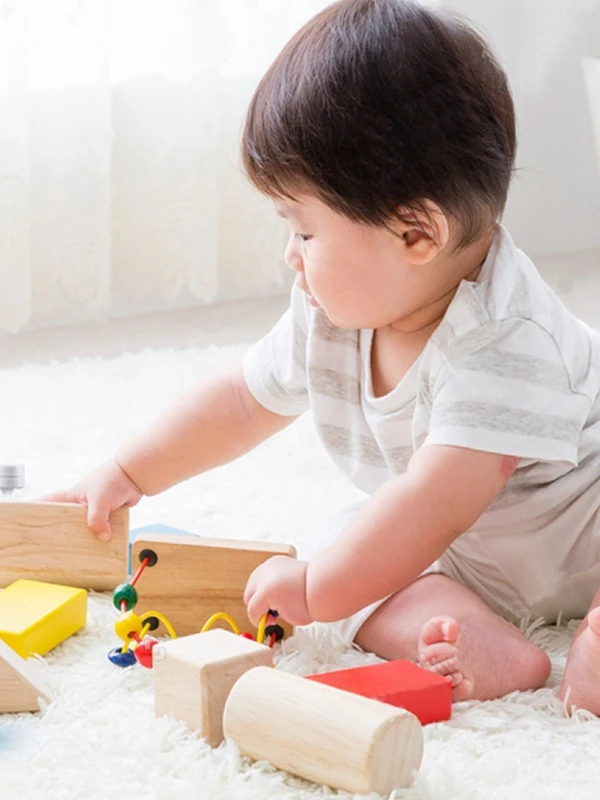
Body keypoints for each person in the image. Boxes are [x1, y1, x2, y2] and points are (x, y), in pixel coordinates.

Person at [48, 0, 600, 712]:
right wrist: (129, 472)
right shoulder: (333, 312)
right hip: (474, 552)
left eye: (305, 231)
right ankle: (477, 642)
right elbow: (242, 401)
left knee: (337, 573)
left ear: (416, 234)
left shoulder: (506, 340)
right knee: (345, 545)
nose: (291, 255)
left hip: (581, 526)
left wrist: (317, 590)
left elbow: (435, 501)